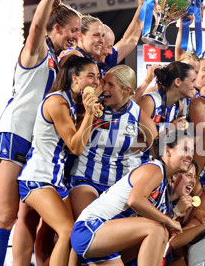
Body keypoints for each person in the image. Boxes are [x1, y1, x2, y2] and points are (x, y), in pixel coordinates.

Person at [0, 0, 80, 266]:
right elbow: (37, 24)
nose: (75, 36)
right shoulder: (37, 49)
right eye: (71, 30)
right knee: (6, 214)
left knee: (29, 219)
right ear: (56, 27)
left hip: (37, 146)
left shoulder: (58, 61)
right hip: (14, 135)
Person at [8, 55, 101, 266]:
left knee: (72, 234)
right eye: (91, 76)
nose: (96, 81)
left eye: (97, 76)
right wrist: (90, 114)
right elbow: (75, 146)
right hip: (38, 178)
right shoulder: (58, 101)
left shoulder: (71, 103)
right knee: (68, 230)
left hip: (55, 181)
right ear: (75, 78)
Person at [68, 131, 193, 266]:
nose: (190, 155)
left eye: (192, 150)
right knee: (157, 227)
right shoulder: (155, 169)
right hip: (90, 230)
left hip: (107, 242)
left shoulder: (164, 183)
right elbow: (135, 200)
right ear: (167, 151)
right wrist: (168, 219)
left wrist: (168, 220)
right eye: (185, 149)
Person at [66, 65, 157, 219]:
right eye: (104, 82)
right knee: (90, 224)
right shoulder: (91, 106)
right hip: (86, 178)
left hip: (118, 187)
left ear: (126, 90)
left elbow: (157, 147)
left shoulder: (137, 114)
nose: (104, 88)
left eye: (110, 85)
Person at [138, 61, 196, 161]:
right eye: (192, 81)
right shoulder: (149, 102)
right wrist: (169, 130)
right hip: (134, 164)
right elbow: (133, 142)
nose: (195, 85)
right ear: (177, 81)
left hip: (156, 163)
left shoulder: (179, 107)